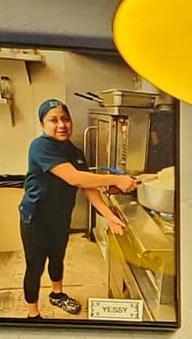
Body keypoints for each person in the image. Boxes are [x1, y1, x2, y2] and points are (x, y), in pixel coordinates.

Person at [18, 98, 137, 318]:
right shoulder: (40, 146)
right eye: (53, 120)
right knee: (35, 266)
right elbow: (74, 178)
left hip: (60, 216)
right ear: (42, 124)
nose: (61, 125)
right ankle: (32, 315)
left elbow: (87, 186)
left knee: (57, 258)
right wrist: (117, 180)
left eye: (65, 119)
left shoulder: (74, 151)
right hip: (36, 218)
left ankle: (57, 295)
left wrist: (109, 215)